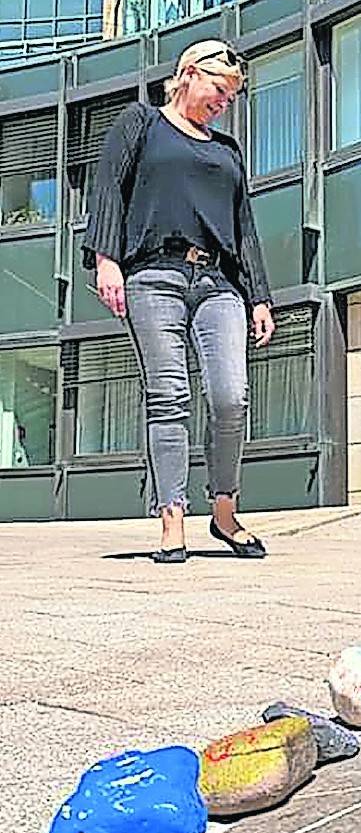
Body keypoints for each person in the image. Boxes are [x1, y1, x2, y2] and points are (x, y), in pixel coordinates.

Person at [82, 39, 275, 564]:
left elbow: (244, 227)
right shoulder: (140, 123)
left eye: (232, 97)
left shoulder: (227, 150)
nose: (224, 102)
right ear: (188, 74)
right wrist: (106, 260)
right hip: (153, 277)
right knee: (168, 395)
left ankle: (224, 512)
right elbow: (107, 190)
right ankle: (172, 517)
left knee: (231, 396)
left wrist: (258, 296)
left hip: (218, 283)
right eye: (220, 90)